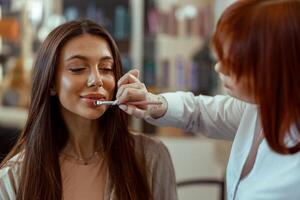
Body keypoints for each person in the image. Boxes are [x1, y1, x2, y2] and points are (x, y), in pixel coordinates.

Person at [116, 0, 300, 199]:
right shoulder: (258, 109)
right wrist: (152, 102)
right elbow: (198, 111)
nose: (219, 68)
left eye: (233, 63)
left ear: (274, 64)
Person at [0, 19, 178, 200]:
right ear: (51, 83)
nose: (97, 79)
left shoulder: (151, 157)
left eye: (106, 68)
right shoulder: (14, 177)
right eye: (78, 68)